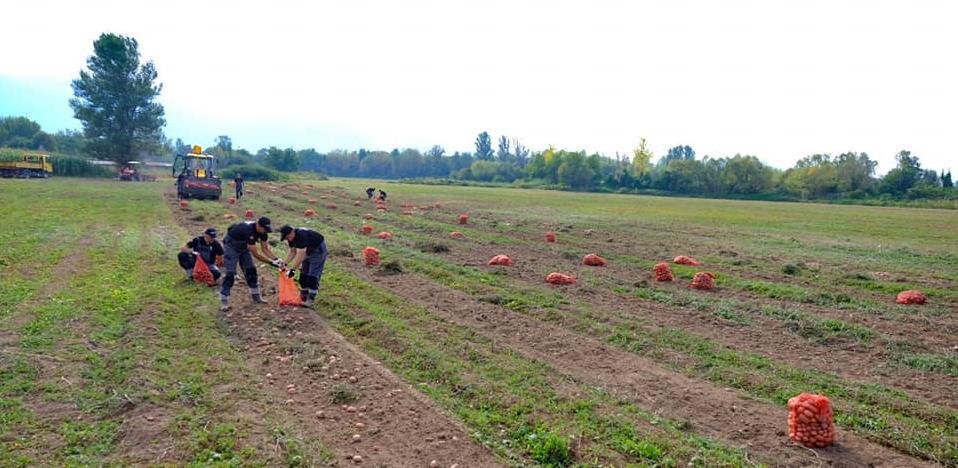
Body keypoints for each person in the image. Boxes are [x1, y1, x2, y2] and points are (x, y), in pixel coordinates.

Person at [219, 216, 284, 311]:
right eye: (263, 229)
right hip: (231, 246)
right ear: (258, 225)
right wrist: (270, 263)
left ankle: (256, 296)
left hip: (244, 247)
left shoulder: (263, 232)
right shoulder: (248, 230)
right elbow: (256, 254)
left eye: (266, 230)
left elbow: (265, 249)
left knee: (250, 270)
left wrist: (277, 259)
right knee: (230, 273)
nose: (264, 231)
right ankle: (224, 300)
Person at [279, 225, 328, 308]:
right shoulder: (291, 238)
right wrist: (284, 263)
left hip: (318, 251)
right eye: (286, 238)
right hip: (307, 251)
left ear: (292, 232)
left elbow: (301, 255)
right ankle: (303, 296)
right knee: (303, 275)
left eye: (288, 237)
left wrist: (292, 270)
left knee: (312, 276)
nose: (288, 239)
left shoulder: (301, 236)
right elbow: (293, 252)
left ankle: (310, 299)